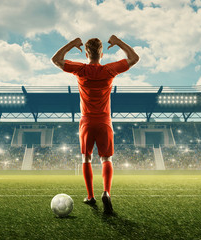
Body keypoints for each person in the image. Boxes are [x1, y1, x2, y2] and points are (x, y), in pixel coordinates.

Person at [51, 35, 139, 214]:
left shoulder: (81, 70)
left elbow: (56, 60)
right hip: (104, 121)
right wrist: (118, 43)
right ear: (102, 54)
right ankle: (106, 192)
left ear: (86, 54)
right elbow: (134, 58)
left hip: (86, 122)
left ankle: (90, 196)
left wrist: (72, 44)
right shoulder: (109, 70)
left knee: (86, 159)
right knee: (106, 159)